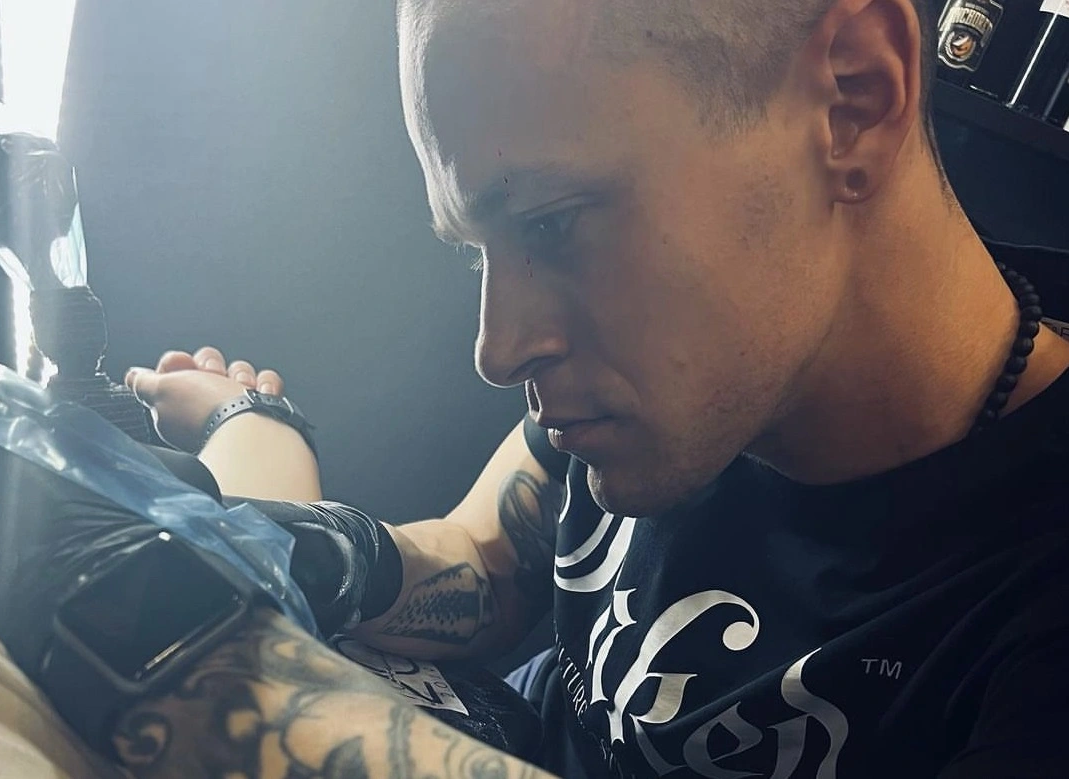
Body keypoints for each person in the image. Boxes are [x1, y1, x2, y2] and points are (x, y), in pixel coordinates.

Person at [114, 0, 1069, 776]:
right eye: (478, 252)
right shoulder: (677, 378)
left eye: (552, 222)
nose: (499, 349)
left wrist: (229, 683)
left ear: (852, 98)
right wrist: (286, 506)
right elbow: (485, 557)